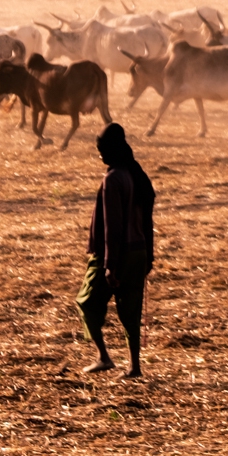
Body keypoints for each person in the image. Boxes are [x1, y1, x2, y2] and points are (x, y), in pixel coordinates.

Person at [76, 123, 156, 377]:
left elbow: (113, 226)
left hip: (114, 255)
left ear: (111, 149)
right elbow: (147, 221)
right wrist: (149, 256)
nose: (99, 154)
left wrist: (110, 264)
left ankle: (104, 357)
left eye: (101, 149)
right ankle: (134, 367)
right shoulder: (137, 175)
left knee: (87, 302)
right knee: (131, 310)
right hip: (139, 251)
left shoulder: (113, 180)